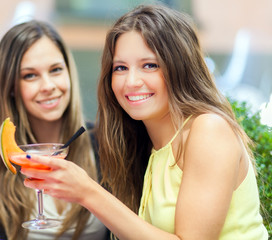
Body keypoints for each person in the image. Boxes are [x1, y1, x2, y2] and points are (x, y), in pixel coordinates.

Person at [17, 4, 269, 240]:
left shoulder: (208, 129)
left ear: (180, 68)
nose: (131, 82)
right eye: (120, 68)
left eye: (149, 65)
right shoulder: (147, 145)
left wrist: (87, 192)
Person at [0, 20, 108, 240]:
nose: (48, 86)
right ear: (11, 87)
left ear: (69, 72)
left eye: (56, 70)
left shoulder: (104, 145)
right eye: (30, 75)